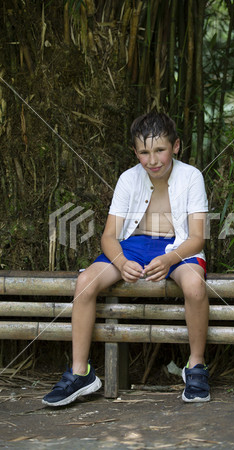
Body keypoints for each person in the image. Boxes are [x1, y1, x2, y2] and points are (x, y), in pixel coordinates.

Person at [42, 111, 210, 406]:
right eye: (144, 152)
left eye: (160, 150)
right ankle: (81, 373)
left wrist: (170, 259)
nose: (153, 160)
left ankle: (195, 366)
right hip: (132, 247)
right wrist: (120, 262)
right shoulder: (128, 179)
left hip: (178, 247)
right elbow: (108, 237)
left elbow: (197, 237)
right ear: (135, 152)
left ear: (176, 146)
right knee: (84, 282)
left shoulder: (191, 176)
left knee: (195, 286)